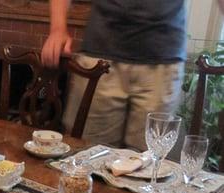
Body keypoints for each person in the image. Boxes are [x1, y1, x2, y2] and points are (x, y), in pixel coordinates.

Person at [42, 1, 186, 150]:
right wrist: (57, 29)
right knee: (85, 157)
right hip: (100, 56)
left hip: (163, 63)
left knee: (150, 163)